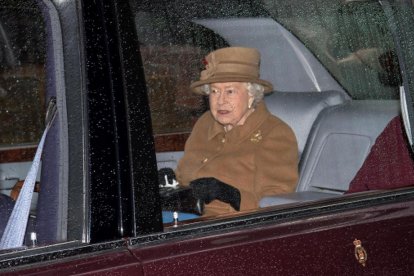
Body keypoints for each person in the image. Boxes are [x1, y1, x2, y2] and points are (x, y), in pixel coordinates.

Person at [174, 47, 299, 216]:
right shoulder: (205, 123)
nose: (221, 101)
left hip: (227, 226)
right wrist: (170, 182)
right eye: (214, 91)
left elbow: (277, 202)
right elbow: (183, 176)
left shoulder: (275, 133)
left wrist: (230, 195)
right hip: (183, 216)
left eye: (230, 91)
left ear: (252, 95)